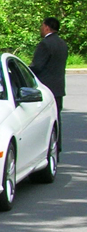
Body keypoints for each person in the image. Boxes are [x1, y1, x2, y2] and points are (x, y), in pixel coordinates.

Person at [30, 16, 68, 150]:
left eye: (42, 25)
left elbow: (38, 66)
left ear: (47, 27)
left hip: (45, 87)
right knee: (56, 118)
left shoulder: (45, 44)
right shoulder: (62, 43)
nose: (41, 28)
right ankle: (57, 147)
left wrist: (25, 71)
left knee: (43, 120)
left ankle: (42, 149)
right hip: (58, 87)